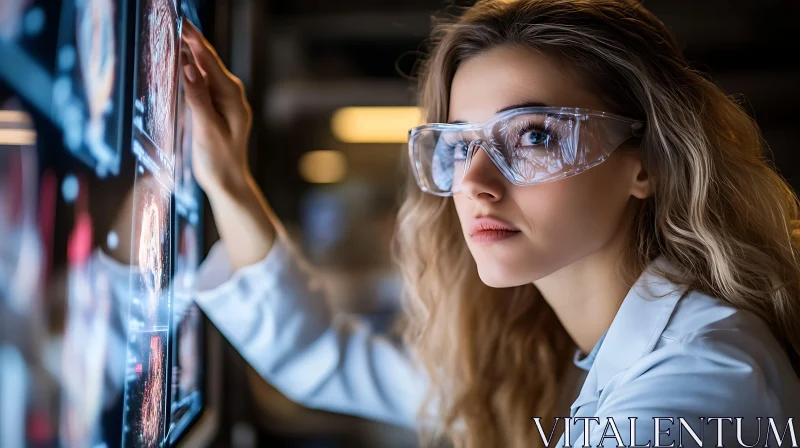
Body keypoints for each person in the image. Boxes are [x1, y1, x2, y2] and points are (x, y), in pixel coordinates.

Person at [155, 1, 800, 447]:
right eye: (460, 146)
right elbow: (326, 356)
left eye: (535, 135)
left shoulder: (705, 381)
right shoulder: (542, 354)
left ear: (646, 166)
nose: (475, 183)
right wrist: (227, 182)